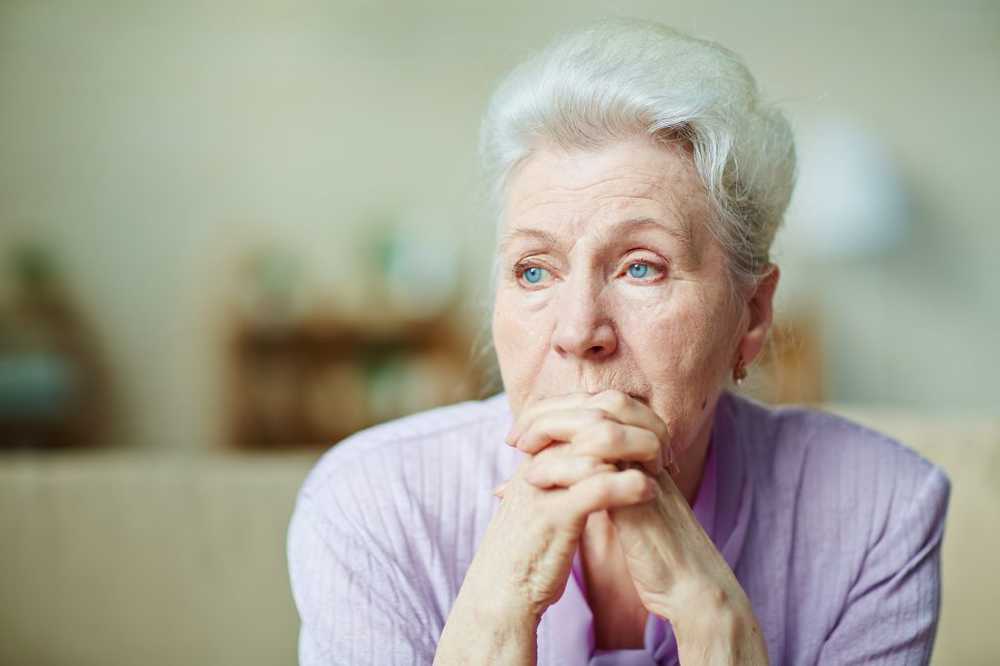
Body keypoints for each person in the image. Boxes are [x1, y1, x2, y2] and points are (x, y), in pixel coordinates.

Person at [287, 18, 951, 665]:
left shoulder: (881, 511)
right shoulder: (370, 508)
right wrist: (497, 606)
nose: (578, 333)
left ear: (750, 315)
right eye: (534, 270)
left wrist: (712, 618)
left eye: (641, 267)